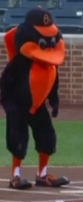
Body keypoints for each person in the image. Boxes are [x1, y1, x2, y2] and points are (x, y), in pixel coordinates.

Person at [0, 7, 70, 190]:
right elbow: (5, 83)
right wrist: (8, 105)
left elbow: (53, 82)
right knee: (18, 138)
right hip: (18, 105)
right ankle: (15, 176)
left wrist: (54, 101)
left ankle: (42, 175)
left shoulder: (50, 64)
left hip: (37, 105)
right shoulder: (20, 64)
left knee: (47, 136)